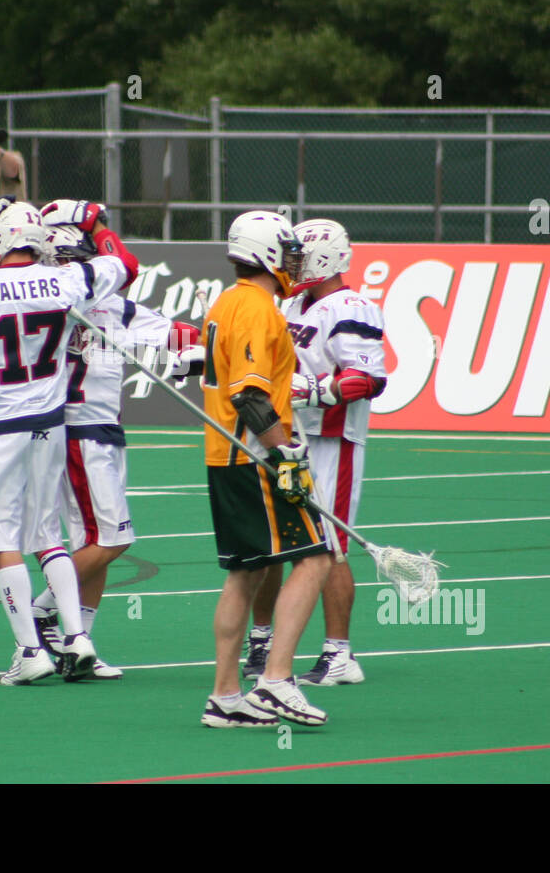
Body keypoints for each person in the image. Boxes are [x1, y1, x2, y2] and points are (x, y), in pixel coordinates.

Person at [0, 200, 141, 685]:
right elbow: (123, 265)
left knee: (1, 540)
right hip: (51, 423)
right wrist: (96, 224)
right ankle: (77, 637)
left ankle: (29, 650)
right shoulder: (67, 280)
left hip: (0, 426)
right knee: (48, 536)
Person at [29, 203, 202, 679]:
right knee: (114, 538)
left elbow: (175, 332)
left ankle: (77, 641)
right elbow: (124, 264)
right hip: (79, 431)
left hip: (102, 430)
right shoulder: (53, 303)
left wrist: (194, 348)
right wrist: (97, 225)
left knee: (94, 538)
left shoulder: (106, 305)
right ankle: (41, 610)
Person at [199, 210, 335, 729]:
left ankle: (224, 695)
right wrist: (288, 454)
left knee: (245, 572)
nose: (295, 261)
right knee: (315, 559)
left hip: (224, 456)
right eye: (288, 250)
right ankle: (277, 680)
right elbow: (251, 395)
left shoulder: (226, 302)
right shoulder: (256, 307)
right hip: (253, 456)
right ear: (266, 253)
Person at [238, 220, 388, 686]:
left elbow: (368, 378)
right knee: (267, 547)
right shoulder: (291, 303)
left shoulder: (352, 305)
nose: (292, 263)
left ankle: (339, 654)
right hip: (281, 438)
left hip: (329, 441)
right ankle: (262, 640)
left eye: (301, 256)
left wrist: (313, 390)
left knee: (329, 548)